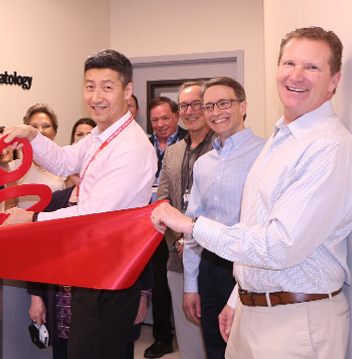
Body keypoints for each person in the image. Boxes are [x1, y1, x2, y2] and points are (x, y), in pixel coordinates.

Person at [152, 26, 352, 358]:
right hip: (252, 311)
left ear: (334, 80)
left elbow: (279, 247)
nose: (297, 75)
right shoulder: (281, 139)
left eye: (312, 67)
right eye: (289, 63)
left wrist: (189, 224)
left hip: (297, 322)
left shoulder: (328, 148)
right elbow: (255, 227)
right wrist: (240, 298)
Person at [3, 49, 155, 359]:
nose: (96, 96)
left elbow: (95, 215)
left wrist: (32, 220)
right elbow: (63, 161)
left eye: (107, 87)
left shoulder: (132, 147)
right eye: (89, 86)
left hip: (111, 277)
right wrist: (32, 135)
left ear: (127, 91)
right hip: (91, 270)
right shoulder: (101, 135)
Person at [180, 77, 265, 359]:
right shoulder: (203, 164)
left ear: (243, 106)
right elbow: (193, 227)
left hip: (249, 266)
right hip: (210, 268)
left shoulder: (265, 153)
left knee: (249, 347)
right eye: (209, 106)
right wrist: (191, 286)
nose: (216, 112)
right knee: (215, 348)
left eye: (224, 103)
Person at [145, 83, 214, 359]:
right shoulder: (173, 153)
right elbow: (162, 203)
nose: (190, 111)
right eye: (184, 105)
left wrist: (195, 239)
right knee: (188, 339)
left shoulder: (220, 148)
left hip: (212, 259)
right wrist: (179, 240)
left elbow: (224, 207)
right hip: (177, 257)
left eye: (196, 104)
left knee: (216, 333)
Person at [25, 116, 98, 359]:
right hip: (60, 301)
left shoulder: (110, 203)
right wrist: (37, 298)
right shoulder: (55, 201)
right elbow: (38, 254)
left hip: (99, 300)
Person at [11, 104, 67, 209]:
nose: (40, 131)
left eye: (46, 126)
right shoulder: (14, 167)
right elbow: (9, 208)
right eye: (34, 127)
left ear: (54, 132)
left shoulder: (66, 165)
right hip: (25, 224)